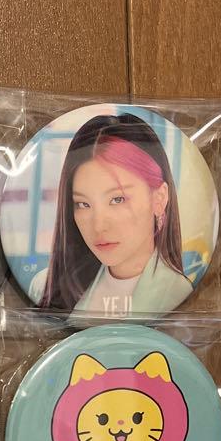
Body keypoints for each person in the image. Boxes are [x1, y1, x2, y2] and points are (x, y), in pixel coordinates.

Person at [30, 113, 192, 315]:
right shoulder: (44, 288)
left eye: (118, 199)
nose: (99, 226)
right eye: (83, 204)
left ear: (159, 199)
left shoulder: (179, 295)